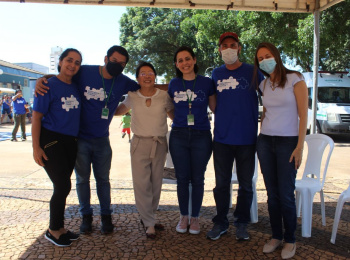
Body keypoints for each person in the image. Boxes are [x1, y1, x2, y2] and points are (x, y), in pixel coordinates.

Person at [35, 45, 140, 235]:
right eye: (114, 61)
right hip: (80, 140)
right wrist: (42, 79)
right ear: (106, 59)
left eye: (122, 64)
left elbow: (146, 86)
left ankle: (106, 217)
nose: (117, 65)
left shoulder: (123, 81)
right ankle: (86, 216)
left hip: (102, 140)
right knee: (82, 180)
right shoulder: (84, 72)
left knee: (103, 181)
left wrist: (174, 86)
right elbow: (63, 76)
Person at [206, 32, 264, 241]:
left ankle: (241, 222)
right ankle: (221, 221)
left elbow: (270, 95)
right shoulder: (215, 74)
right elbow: (212, 102)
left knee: (246, 184)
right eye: (224, 45)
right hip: (221, 139)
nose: (228, 48)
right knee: (221, 184)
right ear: (220, 50)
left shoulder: (253, 71)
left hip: (247, 139)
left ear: (239, 48)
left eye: (232, 44)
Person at [254, 42, 308, 259]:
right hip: (266, 142)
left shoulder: (296, 79)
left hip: (288, 143)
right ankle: (276, 236)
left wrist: (299, 147)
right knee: (272, 194)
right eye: (260, 58)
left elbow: (303, 116)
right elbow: (266, 112)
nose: (264, 60)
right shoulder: (264, 85)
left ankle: (290, 240)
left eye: (267, 56)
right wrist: (261, 133)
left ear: (276, 55)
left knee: (286, 195)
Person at [115, 61, 174, 238]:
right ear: (137, 78)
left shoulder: (164, 96)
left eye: (150, 73)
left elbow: (174, 115)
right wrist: (102, 104)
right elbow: (118, 111)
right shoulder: (132, 96)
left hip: (160, 143)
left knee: (156, 183)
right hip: (139, 143)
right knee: (141, 184)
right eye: (143, 73)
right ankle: (148, 222)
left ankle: (150, 217)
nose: (147, 76)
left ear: (155, 76)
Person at [32, 48, 82, 247]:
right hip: (51, 139)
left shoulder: (76, 86)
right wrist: (35, 147)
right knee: (62, 185)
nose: (73, 65)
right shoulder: (47, 85)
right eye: (69, 60)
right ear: (60, 62)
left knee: (64, 185)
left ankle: (60, 228)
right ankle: (53, 230)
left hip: (71, 141)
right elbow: (36, 117)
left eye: (77, 62)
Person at [168, 46, 215, 235]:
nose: (184, 63)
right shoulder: (173, 83)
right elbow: (169, 108)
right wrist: (179, 122)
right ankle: (183, 216)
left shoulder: (206, 82)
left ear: (194, 60)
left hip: (201, 135)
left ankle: (195, 217)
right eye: (180, 61)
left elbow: (214, 107)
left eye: (187, 59)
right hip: (178, 135)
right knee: (181, 178)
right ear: (176, 65)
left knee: (197, 178)